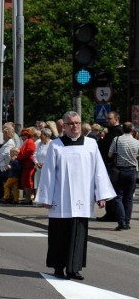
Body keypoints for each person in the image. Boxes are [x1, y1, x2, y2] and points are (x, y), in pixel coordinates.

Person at [35, 111, 116, 280]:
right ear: (64, 126)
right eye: (71, 124)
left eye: (77, 123)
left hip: (83, 197)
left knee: (78, 234)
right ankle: (58, 266)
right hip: (60, 198)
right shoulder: (56, 145)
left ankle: (74, 268)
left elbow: (99, 170)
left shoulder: (91, 144)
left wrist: (101, 194)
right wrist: (46, 198)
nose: (75, 126)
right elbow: (48, 173)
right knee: (59, 234)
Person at [108, 122, 139, 231]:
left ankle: (121, 222)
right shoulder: (136, 142)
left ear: (122, 129)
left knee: (118, 197)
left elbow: (110, 154)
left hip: (119, 171)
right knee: (129, 198)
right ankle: (127, 221)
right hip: (132, 171)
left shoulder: (116, 140)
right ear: (132, 130)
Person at [97, 111, 123, 222]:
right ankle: (112, 213)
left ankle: (113, 214)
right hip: (109, 164)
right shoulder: (113, 131)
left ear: (116, 120)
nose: (107, 120)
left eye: (109, 118)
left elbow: (104, 145)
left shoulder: (117, 132)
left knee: (111, 191)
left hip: (113, 165)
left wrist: (101, 139)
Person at [18, 128, 36, 205]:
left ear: (28, 135)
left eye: (24, 135)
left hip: (29, 165)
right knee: (25, 182)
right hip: (26, 165)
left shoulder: (30, 142)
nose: (22, 136)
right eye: (21, 135)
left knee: (28, 182)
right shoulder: (26, 142)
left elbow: (29, 152)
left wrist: (19, 157)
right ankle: (27, 199)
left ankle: (29, 199)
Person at [33, 128, 52, 200]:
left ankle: (46, 200)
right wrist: (37, 163)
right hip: (39, 168)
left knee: (46, 185)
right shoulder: (39, 144)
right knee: (39, 185)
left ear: (46, 135)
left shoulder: (51, 144)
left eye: (42, 134)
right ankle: (39, 200)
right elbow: (35, 154)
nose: (40, 136)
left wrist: (44, 164)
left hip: (47, 168)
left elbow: (51, 156)